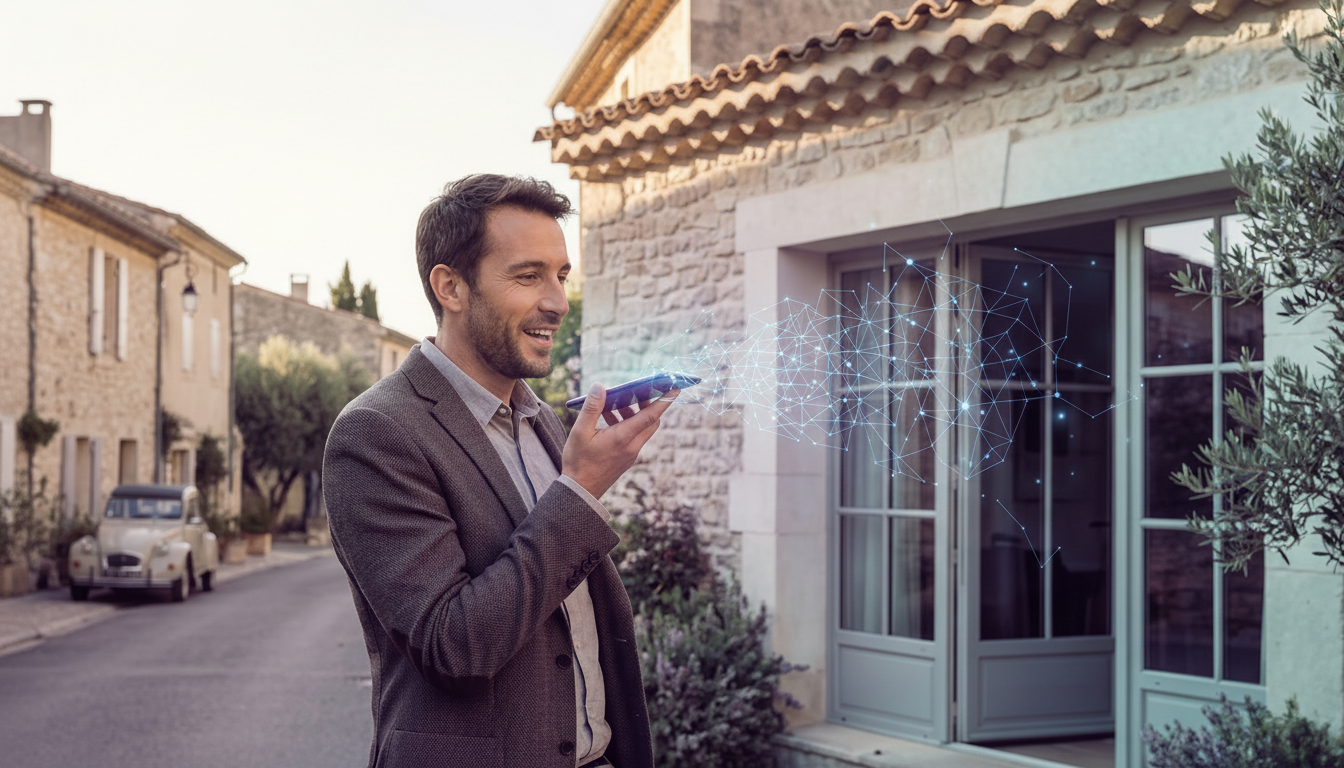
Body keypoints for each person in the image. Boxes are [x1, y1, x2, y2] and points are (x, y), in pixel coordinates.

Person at [323, 174, 672, 768]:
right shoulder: (376, 434)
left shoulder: (544, 422)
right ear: (451, 286)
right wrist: (581, 489)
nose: (558, 302)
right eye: (528, 275)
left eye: (561, 275)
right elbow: (453, 646)